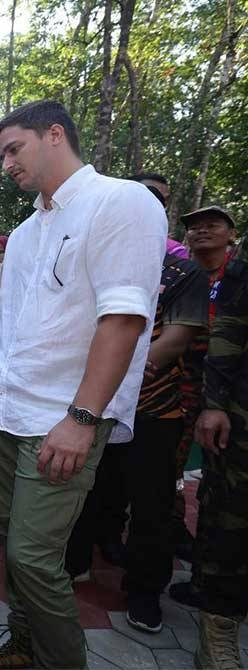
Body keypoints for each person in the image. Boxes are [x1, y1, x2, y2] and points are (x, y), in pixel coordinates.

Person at [0, 101, 165, 670]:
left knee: (32, 557)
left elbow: (123, 318)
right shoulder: (25, 233)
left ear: (55, 135)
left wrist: (82, 419)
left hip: (63, 417)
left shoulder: (122, 202)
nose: (6, 163)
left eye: (13, 149)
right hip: (5, 411)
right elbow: (13, 326)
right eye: (0, 153)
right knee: (13, 545)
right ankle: (23, 647)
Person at [65, 245, 207, 632]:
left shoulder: (183, 272)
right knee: (89, 486)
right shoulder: (100, 259)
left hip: (154, 407)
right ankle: (77, 561)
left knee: (152, 503)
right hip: (97, 403)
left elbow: (175, 340)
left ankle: (144, 591)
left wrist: (113, 371)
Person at [170, 205, 240, 605]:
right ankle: (177, 527)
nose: (200, 232)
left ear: (231, 233)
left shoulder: (237, 279)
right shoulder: (177, 274)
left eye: (212, 225)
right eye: (193, 227)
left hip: (228, 394)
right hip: (178, 387)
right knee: (172, 466)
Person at [189, 233, 248, 669]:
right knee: (231, 514)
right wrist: (214, 404)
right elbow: (228, 330)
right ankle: (219, 624)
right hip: (241, 411)